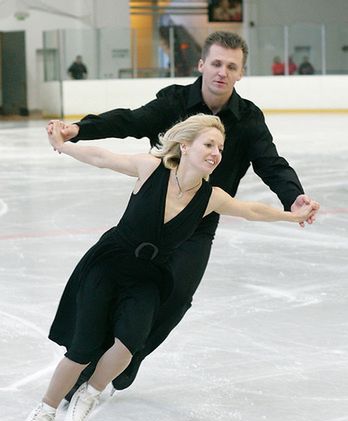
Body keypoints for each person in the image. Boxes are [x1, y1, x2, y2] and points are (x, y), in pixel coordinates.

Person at [15, 114, 318, 421]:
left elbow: (251, 211)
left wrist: (292, 215)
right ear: (185, 146)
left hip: (148, 277)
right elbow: (103, 158)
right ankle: (45, 411)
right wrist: (65, 146)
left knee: (129, 345)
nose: (216, 152)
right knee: (82, 350)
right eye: (209, 144)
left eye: (220, 147)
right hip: (109, 264)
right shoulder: (151, 168)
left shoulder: (211, 197)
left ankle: (91, 391)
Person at [48, 31, 320, 400]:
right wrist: (79, 130)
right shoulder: (174, 101)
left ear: (241, 73)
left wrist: (294, 198)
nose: (222, 72)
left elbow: (271, 164)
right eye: (217, 63)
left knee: (175, 299)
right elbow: (128, 122)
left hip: (199, 225)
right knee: (121, 287)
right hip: (151, 218)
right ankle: (89, 362)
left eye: (232, 66)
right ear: (202, 64)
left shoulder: (249, 118)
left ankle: (126, 359)